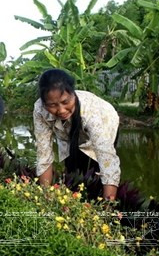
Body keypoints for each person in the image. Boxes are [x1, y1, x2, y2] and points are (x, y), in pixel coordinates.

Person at [33, 69, 121, 201]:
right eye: (52, 105)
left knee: (97, 168)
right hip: (67, 132)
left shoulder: (92, 113)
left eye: (65, 102)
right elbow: (43, 153)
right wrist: (45, 198)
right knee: (73, 171)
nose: (61, 110)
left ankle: (100, 201)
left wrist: (108, 207)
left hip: (105, 121)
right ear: (44, 103)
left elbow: (107, 159)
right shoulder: (40, 110)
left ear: (73, 94)